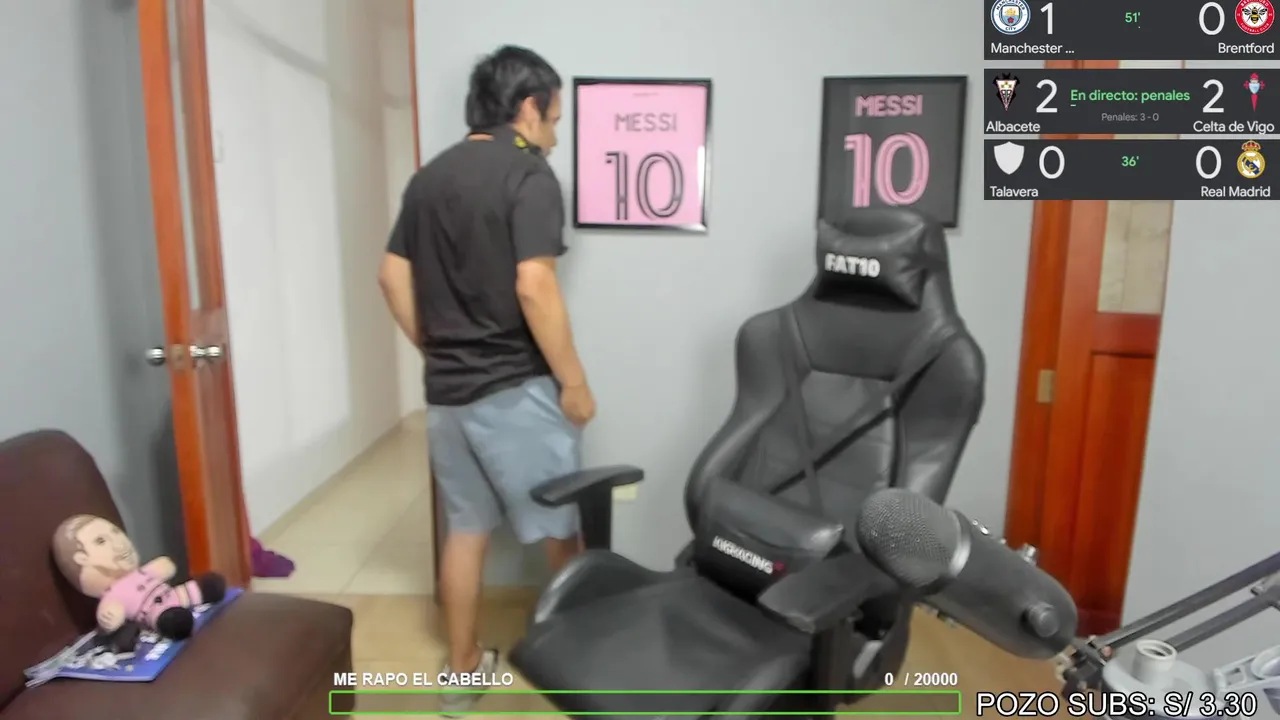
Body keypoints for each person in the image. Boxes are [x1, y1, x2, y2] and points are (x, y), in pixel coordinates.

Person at [377, 45, 594, 717]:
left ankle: (463, 671)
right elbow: (535, 286)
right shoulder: (528, 174)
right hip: (514, 388)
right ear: (528, 107)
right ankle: (578, 661)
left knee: (465, 531)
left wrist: (436, 347)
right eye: (554, 119)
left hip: (447, 394)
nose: (554, 135)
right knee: (563, 532)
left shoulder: (429, 177)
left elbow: (391, 275)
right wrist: (574, 383)